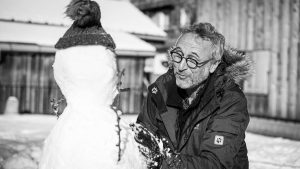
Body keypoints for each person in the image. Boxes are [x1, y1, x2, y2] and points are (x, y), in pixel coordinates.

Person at [39, 0, 146, 168]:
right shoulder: (103, 48)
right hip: (106, 130)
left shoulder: (64, 49)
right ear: (97, 16)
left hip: (68, 130)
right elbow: (110, 81)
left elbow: (60, 76)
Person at [135, 23, 252, 169]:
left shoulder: (229, 101)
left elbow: (215, 164)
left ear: (213, 65)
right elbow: (142, 139)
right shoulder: (160, 91)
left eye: (193, 61)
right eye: (178, 55)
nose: (181, 67)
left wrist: (160, 162)